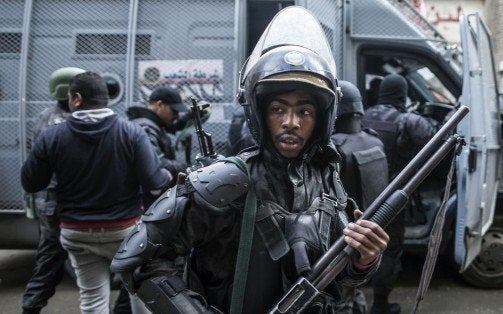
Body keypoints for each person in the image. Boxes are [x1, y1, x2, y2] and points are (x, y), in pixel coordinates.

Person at [111, 6, 389, 314]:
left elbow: (340, 277)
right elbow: (138, 260)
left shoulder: (326, 177)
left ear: (322, 117)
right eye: (278, 109)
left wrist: (365, 259)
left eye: (305, 111)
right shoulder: (225, 182)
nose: (291, 122)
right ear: (260, 112)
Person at [21, 71, 172, 314]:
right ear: (106, 99)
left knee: (92, 299)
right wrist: (167, 175)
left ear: (77, 99)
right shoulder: (131, 132)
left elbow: (30, 183)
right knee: (139, 293)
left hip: (76, 233)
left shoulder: (53, 135)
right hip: (125, 233)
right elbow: (155, 182)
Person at [362, 73, 439, 314]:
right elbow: (436, 137)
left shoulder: (363, 116)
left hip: (361, 195)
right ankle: (380, 305)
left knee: (356, 245)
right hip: (391, 199)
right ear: (402, 94)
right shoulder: (407, 120)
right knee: (388, 248)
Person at [21, 67, 84, 314]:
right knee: (60, 259)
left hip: (49, 202)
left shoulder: (45, 116)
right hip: (65, 202)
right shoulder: (66, 122)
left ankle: (31, 307)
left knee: (48, 260)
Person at [331, 81, 389, 314]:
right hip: (367, 231)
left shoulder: (333, 147)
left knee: (341, 298)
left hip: (342, 235)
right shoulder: (374, 140)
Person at [127, 86, 190, 207]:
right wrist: (187, 168)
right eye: (174, 111)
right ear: (160, 105)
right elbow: (157, 163)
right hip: (147, 198)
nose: (177, 115)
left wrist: (189, 116)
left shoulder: (151, 122)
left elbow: (172, 126)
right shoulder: (146, 127)